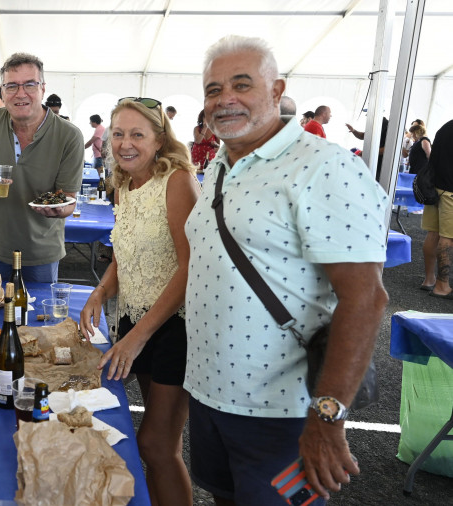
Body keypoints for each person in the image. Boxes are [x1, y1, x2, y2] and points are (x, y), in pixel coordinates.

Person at [184, 35, 388, 504]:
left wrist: (328, 416)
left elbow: (366, 297)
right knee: (226, 497)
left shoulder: (322, 166)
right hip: (211, 395)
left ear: (277, 92)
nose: (225, 99)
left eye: (242, 84)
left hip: (282, 413)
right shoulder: (220, 162)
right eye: (214, 90)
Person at [80, 97, 200, 505]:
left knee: (156, 445)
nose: (124, 143)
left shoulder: (178, 181)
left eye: (136, 134)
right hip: (135, 320)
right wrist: (100, 291)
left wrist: (137, 338)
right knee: (151, 439)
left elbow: (190, 268)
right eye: (118, 134)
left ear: (160, 139)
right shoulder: (124, 184)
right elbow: (122, 255)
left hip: (174, 326)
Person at [0, 53, 84, 283]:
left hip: (41, 255)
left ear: (43, 88)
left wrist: (58, 209)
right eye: (11, 86)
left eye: (29, 84)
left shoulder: (69, 135)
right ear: (3, 90)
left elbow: (68, 200)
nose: (20, 93)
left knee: (38, 319)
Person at [421, 119, 453, 298]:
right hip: (450, 191)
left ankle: (429, 279)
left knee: (433, 233)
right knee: (447, 238)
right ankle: (442, 286)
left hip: (435, 189)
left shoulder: (445, 127)